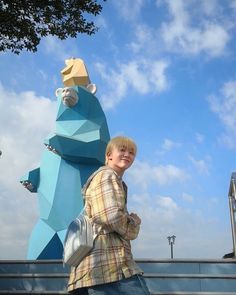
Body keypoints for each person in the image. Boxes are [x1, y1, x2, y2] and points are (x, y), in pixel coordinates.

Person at [68, 136, 150, 295]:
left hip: (94, 269)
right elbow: (110, 216)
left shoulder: (107, 178)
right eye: (122, 150)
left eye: (131, 152)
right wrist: (134, 223)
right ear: (108, 156)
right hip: (110, 266)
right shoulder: (107, 175)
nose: (128, 154)